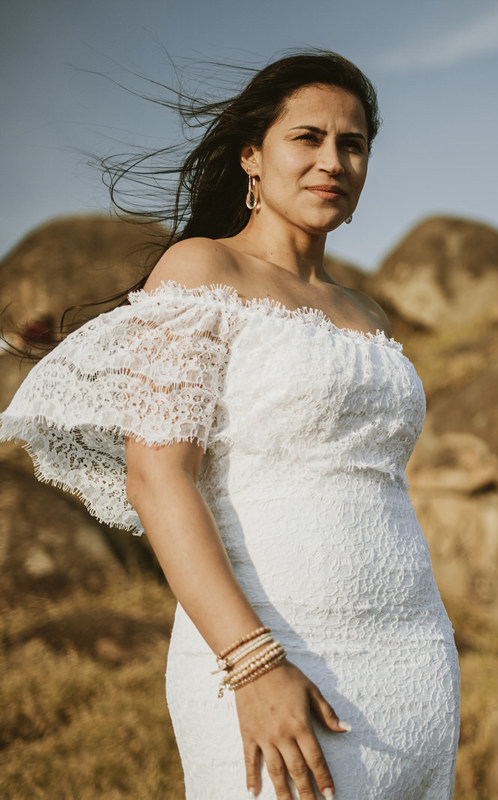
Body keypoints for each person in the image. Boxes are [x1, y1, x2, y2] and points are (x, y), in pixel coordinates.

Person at [0, 51, 459, 799]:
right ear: (252, 155)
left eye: (353, 144)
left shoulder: (365, 312)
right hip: (271, 655)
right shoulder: (201, 270)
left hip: (411, 658)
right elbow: (157, 476)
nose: (332, 161)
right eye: (306, 139)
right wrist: (252, 662)